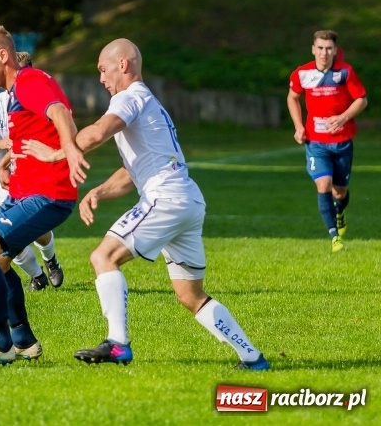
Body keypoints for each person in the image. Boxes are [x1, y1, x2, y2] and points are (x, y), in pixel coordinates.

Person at [20, 38, 270, 370]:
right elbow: (133, 170)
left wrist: (57, 151)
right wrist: (99, 192)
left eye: (103, 69)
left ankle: (118, 344)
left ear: (123, 65)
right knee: (191, 296)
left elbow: (97, 132)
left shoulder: (130, 97)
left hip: (165, 198)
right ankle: (252, 357)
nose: (101, 78)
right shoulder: (147, 102)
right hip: (187, 200)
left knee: (103, 256)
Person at [0, 25, 84, 369]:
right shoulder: (16, 92)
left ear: (2, 56)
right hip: (25, 192)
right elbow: (33, 134)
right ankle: (24, 341)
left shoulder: (29, 81)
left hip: (48, 195)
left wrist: (67, 151)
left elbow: (59, 112)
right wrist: (9, 162)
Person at [0, 51, 63, 292]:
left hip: (36, 182)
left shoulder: (37, 99)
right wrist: (4, 144)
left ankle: (51, 260)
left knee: (39, 233)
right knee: (6, 240)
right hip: (8, 186)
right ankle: (37, 276)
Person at [287, 30, 367, 253]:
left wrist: (343, 117)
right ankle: (334, 237)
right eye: (320, 48)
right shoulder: (302, 74)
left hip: (342, 141)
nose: (324, 53)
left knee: (339, 191)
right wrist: (299, 126)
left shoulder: (344, 72)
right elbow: (292, 97)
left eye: (328, 48)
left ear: (335, 50)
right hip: (316, 142)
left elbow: (361, 99)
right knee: (324, 185)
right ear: (313, 49)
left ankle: (340, 213)